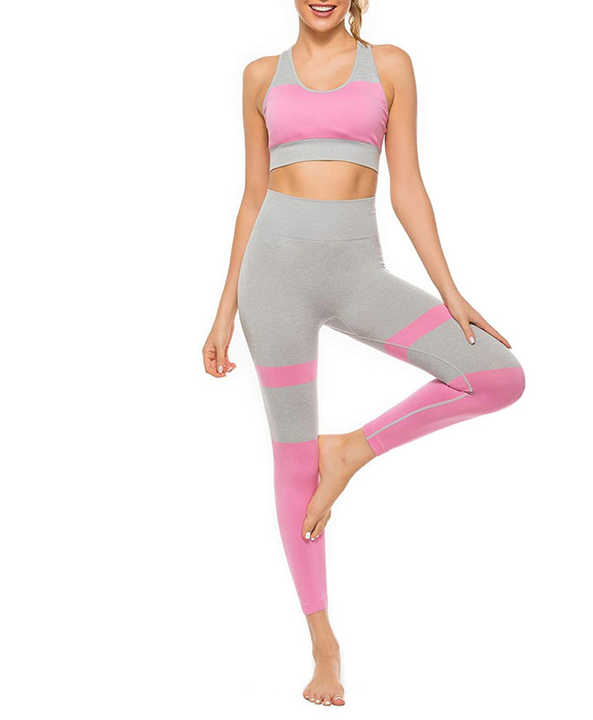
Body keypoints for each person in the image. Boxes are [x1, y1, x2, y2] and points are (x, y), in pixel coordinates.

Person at [202, 0, 525, 707]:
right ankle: (324, 645)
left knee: (497, 376)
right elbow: (252, 197)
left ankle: (350, 450)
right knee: (292, 464)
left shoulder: (390, 66)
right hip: (271, 283)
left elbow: (407, 187)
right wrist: (224, 311)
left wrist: (451, 292)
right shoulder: (259, 76)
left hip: (358, 277)